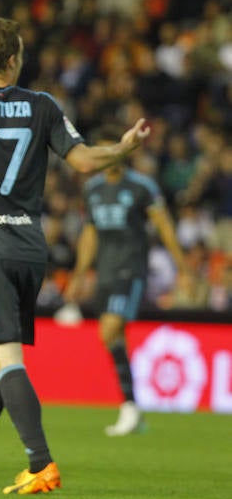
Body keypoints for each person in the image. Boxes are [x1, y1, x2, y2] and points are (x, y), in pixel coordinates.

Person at [0, 17, 150, 495]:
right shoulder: (43, 106)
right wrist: (121, 148)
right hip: (30, 252)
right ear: (15, 58)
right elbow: (81, 161)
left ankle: (41, 462)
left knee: (6, 359)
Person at [63, 123, 188, 436]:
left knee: (109, 329)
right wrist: (79, 275)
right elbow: (90, 235)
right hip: (104, 271)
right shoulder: (92, 189)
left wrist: (182, 267)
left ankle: (130, 408)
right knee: (112, 338)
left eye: (112, 149)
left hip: (130, 269)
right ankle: (132, 408)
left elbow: (164, 226)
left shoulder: (141, 186)